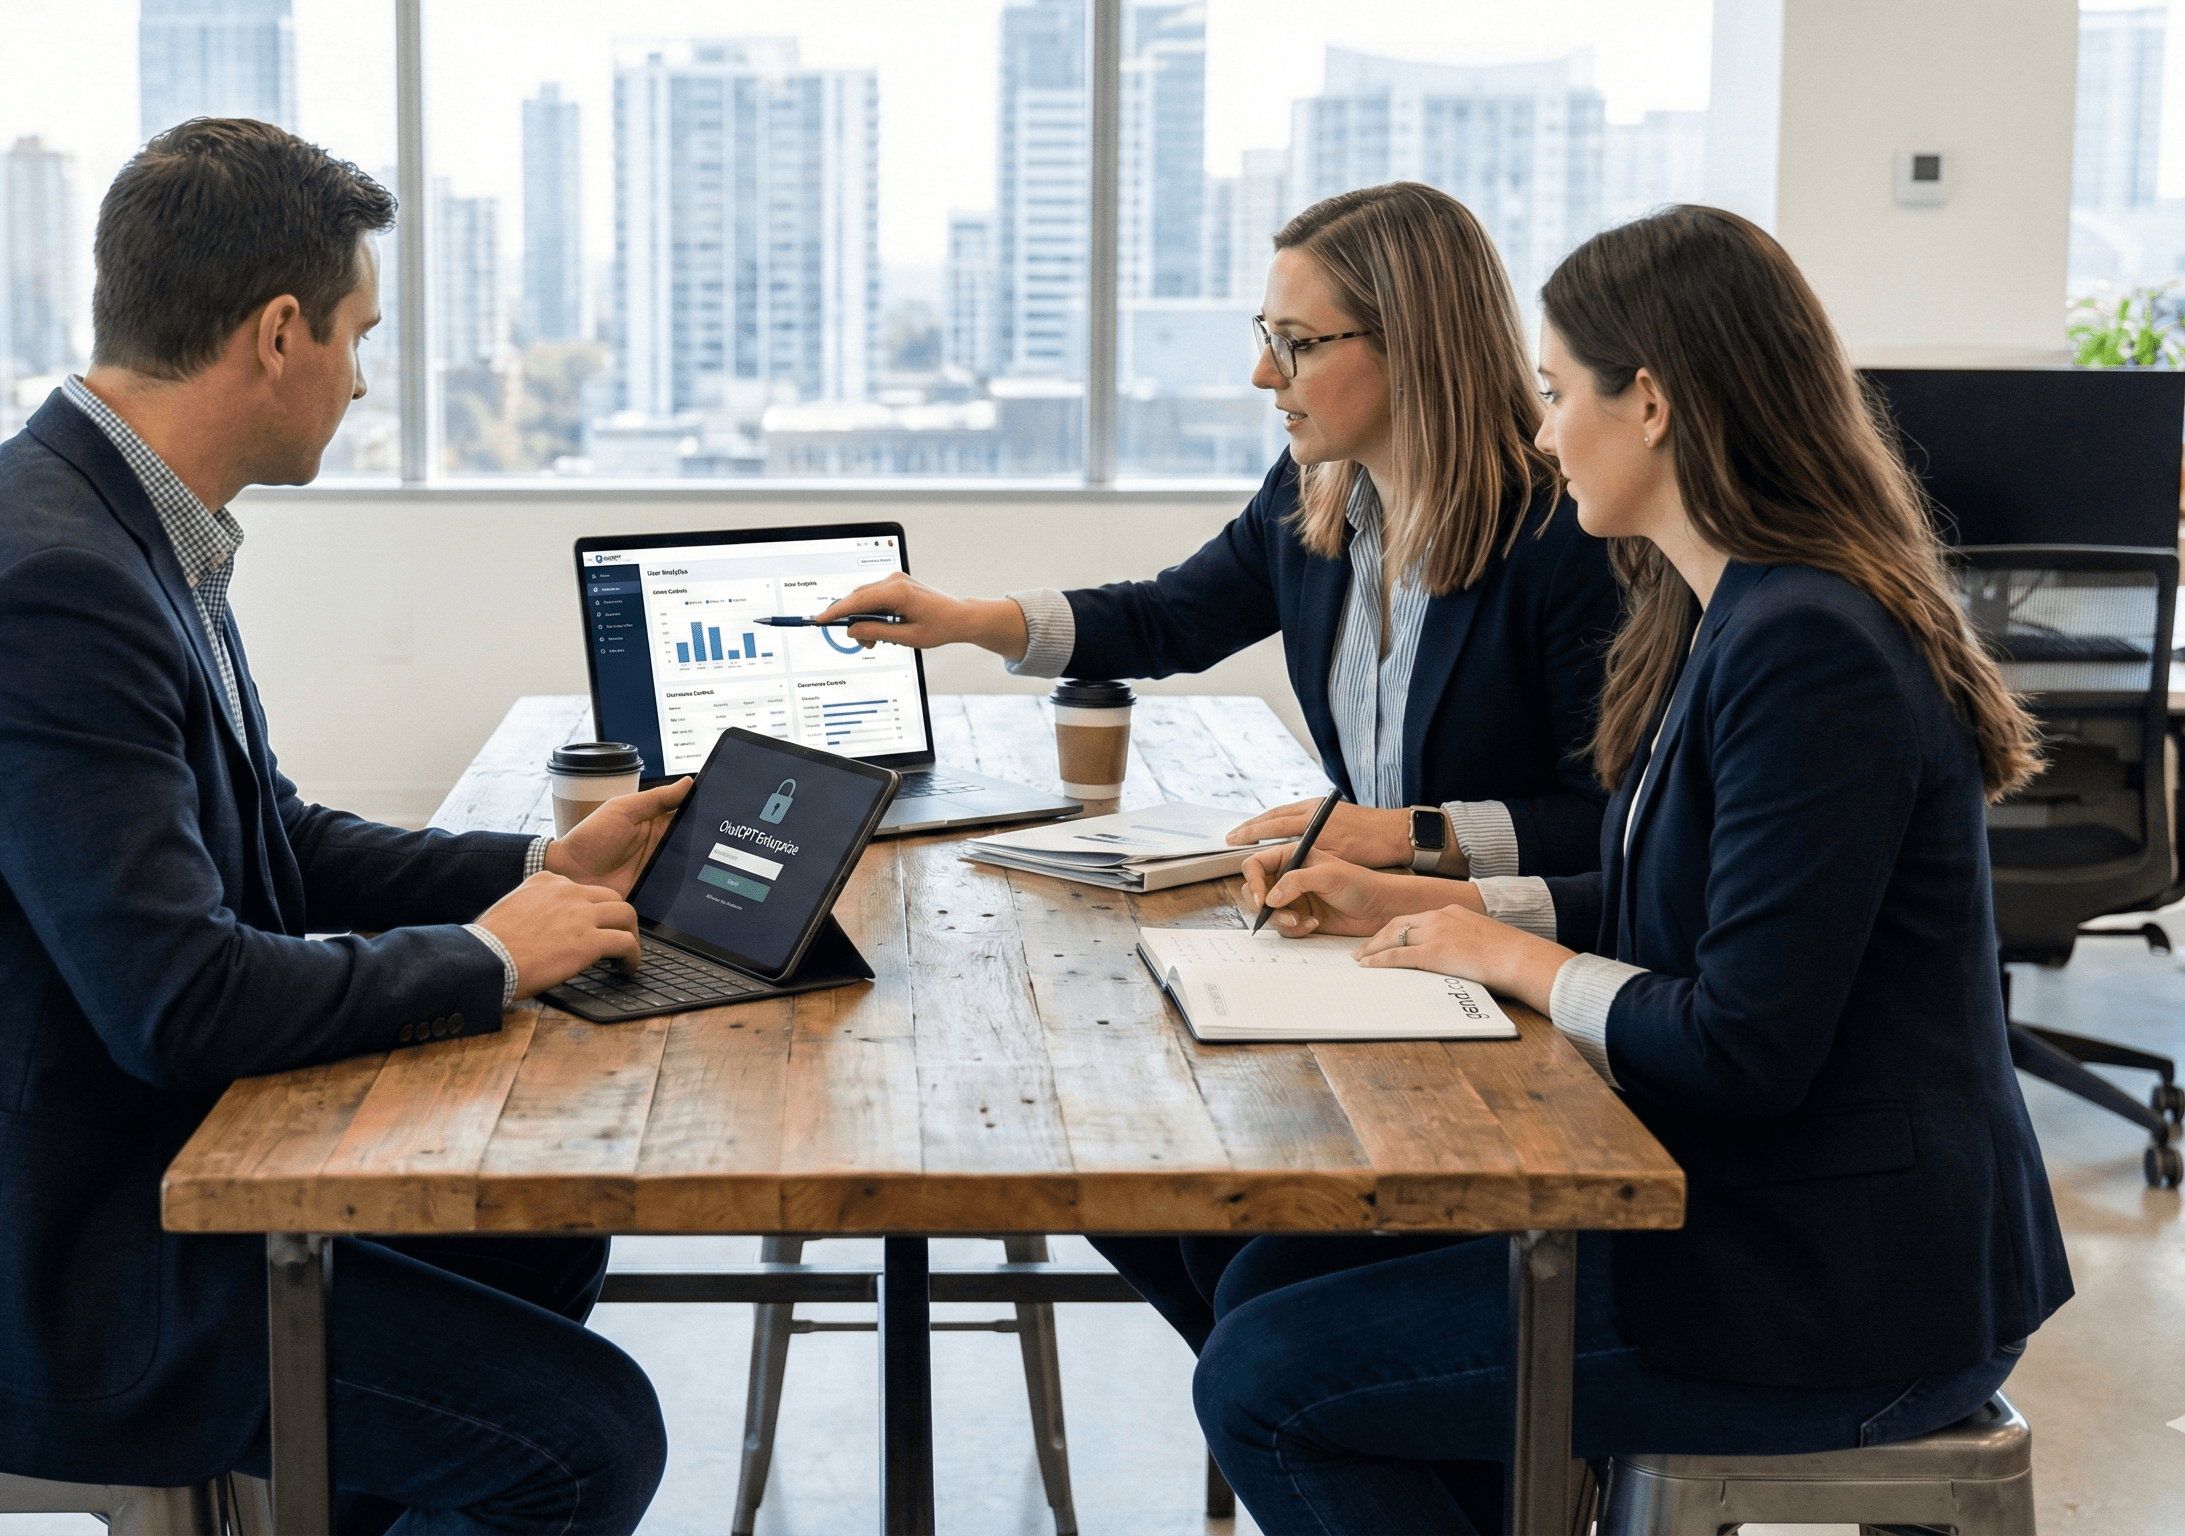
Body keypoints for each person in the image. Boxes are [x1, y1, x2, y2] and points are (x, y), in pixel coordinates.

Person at [0, 120, 673, 1533]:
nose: (365, 382)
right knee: (588, 1438)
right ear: (279, 331)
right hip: (18, 1261)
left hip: (92, 1173)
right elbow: (178, 1002)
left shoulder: (115, 521)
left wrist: (541, 871)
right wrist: (491, 959)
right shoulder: (48, 586)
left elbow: (274, 841)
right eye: (360, 338)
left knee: (536, 1231)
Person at [1195, 204, 2074, 1535]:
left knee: (1265, 1378)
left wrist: (1512, 956)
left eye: (1557, 393)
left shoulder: (1809, 647)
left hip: (1843, 1285)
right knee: (1263, 1280)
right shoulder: (1722, 609)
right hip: (1762, 1213)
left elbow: (1742, 1042)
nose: (1541, 432)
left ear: (1651, 401)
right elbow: (1698, 914)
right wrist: (1440, 903)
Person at [814, 182, 1624, 1350]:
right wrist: (967, 618)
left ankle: (1337, 1419)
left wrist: (1408, 835)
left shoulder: (1560, 536)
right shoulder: (1317, 498)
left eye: (1295, 345)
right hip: (1370, 959)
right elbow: (1166, 620)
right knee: (1142, 1191)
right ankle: (1317, 1421)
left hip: (1504, 986)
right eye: (1266, 340)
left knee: (1248, 1276)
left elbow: (1611, 823)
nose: (1264, 378)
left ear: (1415, 342)